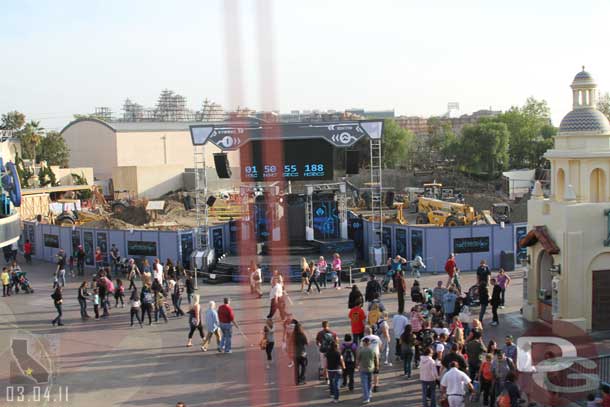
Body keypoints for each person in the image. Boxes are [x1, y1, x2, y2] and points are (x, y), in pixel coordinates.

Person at [357, 337, 377, 404]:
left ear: (364, 343)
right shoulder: (372, 350)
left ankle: (366, 398)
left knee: (364, 384)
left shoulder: (361, 350)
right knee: (369, 382)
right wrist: (376, 366)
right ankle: (369, 393)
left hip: (363, 369)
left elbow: (358, 359)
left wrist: (357, 366)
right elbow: (375, 359)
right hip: (371, 368)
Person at [362, 326, 382, 393]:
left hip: (367, 356)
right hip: (376, 355)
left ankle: (369, 385)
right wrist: (379, 352)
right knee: (376, 371)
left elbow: (361, 348)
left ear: (365, 332)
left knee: (368, 371)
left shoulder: (364, 338)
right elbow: (380, 346)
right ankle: (376, 385)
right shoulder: (377, 337)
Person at [293, 321, 308, 385]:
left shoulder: (293, 336)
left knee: (296, 368)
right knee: (304, 366)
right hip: (302, 353)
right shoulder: (302, 335)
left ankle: (297, 381)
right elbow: (306, 343)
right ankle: (302, 378)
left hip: (295, 354)